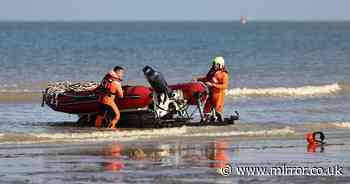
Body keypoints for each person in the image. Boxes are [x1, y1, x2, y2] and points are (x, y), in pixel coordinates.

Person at [197, 56, 229, 122]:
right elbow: (206, 79)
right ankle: (206, 119)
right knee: (206, 109)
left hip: (219, 94)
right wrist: (198, 79)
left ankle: (219, 119)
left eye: (217, 64)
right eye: (214, 63)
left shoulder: (224, 74)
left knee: (218, 110)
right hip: (210, 93)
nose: (215, 65)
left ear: (221, 65)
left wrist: (213, 85)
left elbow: (224, 86)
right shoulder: (211, 72)